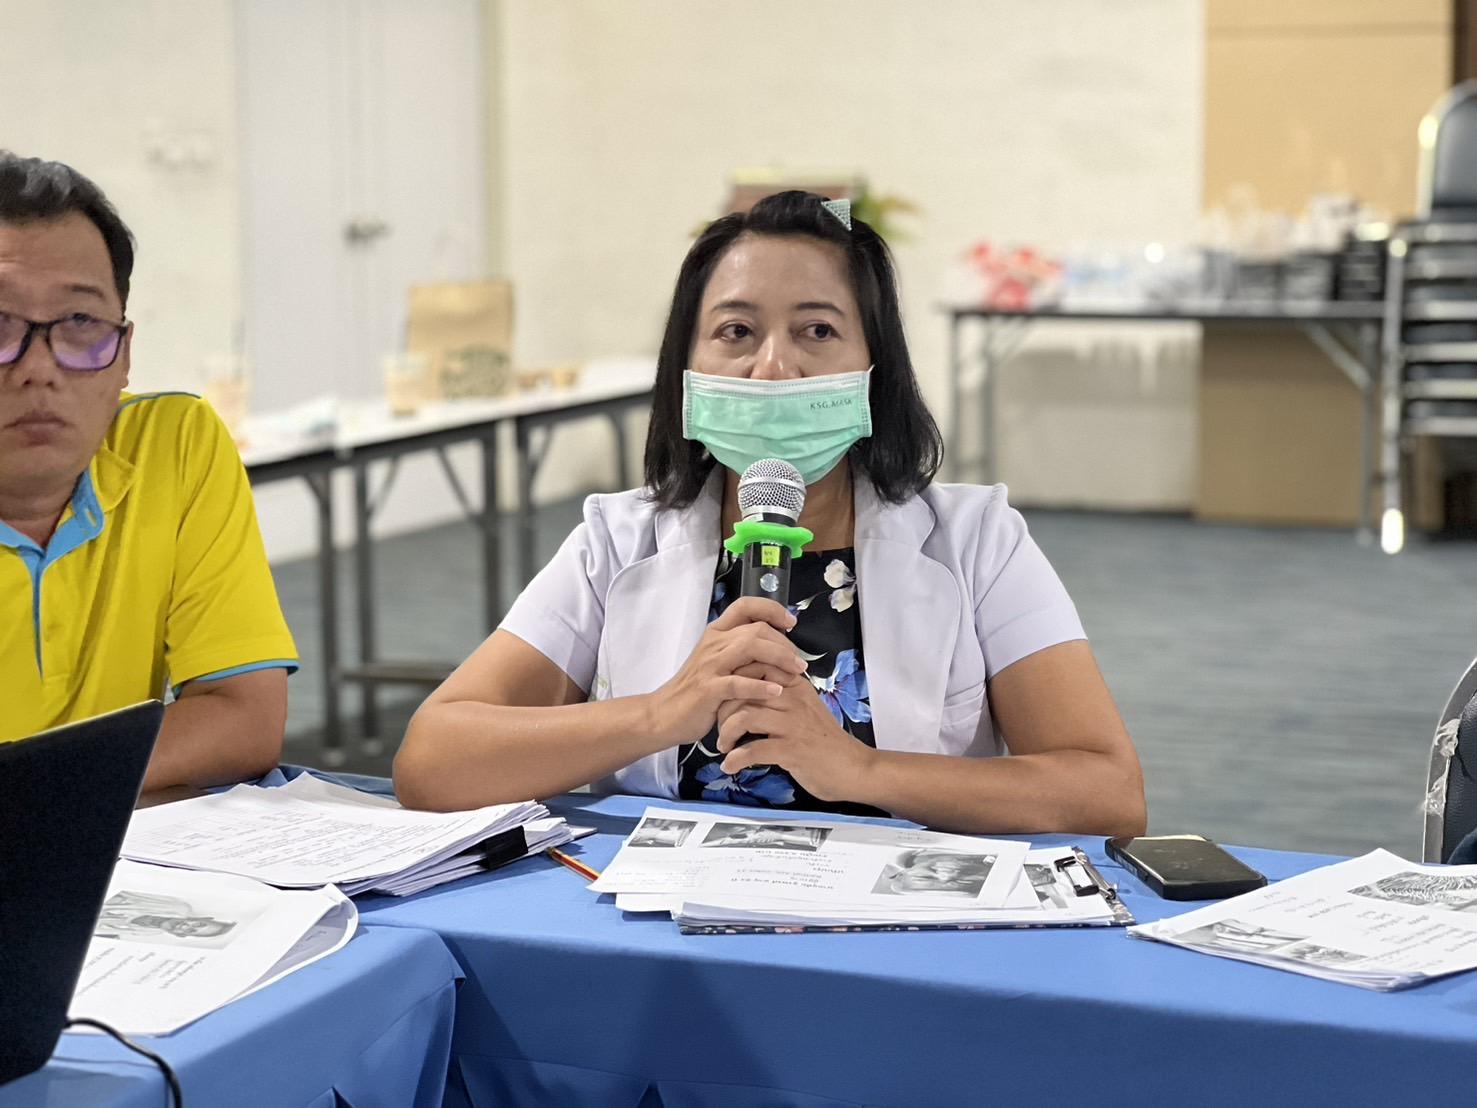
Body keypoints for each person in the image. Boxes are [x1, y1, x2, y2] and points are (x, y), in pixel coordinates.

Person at [396, 190, 1145, 836]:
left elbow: (1106, 793)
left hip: (896, 921)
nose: (774, 367)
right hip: (662, 921)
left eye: (817, 330)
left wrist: (860, 769)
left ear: (873, 366)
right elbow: (433, 764)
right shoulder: (616, 541)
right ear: (687, 367)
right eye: (736, 332)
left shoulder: (977, 541)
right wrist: (660, 714)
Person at [0, 152, 296, 789]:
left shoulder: (172, 443)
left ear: (125, 352)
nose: (38, 368)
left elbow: (242, 716)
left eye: (80, 322)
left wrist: (35, 799)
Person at [94, 889, 236, 942]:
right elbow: (125, 891)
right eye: (198, 924)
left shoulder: (146, 934)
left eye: (190, 930)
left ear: (180, 935)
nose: (184, 926)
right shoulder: (177, 907)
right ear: (201, 918)